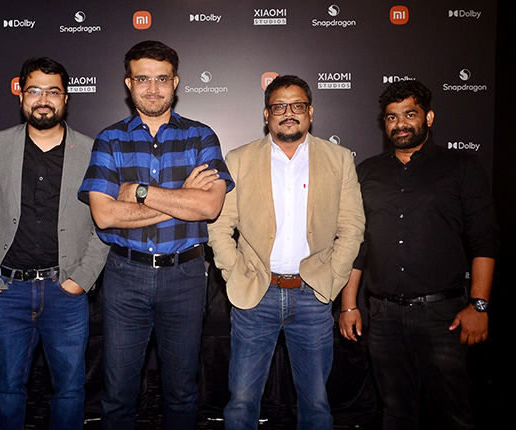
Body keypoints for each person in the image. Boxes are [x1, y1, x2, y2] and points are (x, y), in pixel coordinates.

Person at [78, 40, 233, 430]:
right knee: (118, 393)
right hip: (124, 276)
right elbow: (105, 215)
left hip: (185, 276)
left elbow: (210, 207)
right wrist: (182, 197)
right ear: (129, 83)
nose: (152, 88)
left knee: (182, 392)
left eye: (161, 79)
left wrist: (140, 191)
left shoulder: (201, 137)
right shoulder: (109, 139)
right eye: (142, 79)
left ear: (175, 83)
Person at [207, 75, 365, 430]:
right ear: (267, 114)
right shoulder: (239, 159)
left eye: (297, 105)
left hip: (313, 295)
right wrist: (234, 272)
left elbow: (352, 226)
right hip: (255, 294)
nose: (288, 113)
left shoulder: (338, 159)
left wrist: (332, 277)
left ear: (310, 112)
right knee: (241, 402)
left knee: (316, 403)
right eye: (279, 106)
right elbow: (219, 225)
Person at [339, 80, 498, 430]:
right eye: (392, 117)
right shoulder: (367, 171)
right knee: (396, 413)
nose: (400, 124)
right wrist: (349, 305)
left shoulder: (461, 166)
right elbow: (357, 244)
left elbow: (483, 240)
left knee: (453, 415)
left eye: (409, 114)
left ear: (428, 117)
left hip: (444, 316)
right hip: (383, 316)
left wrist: (479, 305)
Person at [0, 57, 109, 430]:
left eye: (53, 91)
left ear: (66, 98)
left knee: (69, 391)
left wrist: (81, 279)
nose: (43, 99)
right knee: (8, 389)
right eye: (34, 90)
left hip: (65, 292)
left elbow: (104, 221)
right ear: (21, 96)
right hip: (7, 291)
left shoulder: (91, 150)